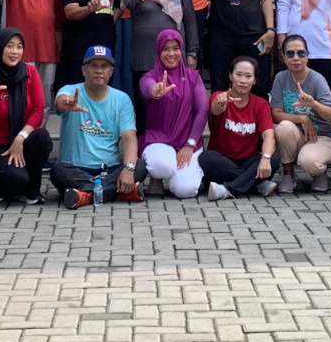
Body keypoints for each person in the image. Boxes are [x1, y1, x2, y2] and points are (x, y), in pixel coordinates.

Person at [52, 47, 145, 208]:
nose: (99, 71)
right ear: (83, 70)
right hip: (74, 169)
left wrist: (129, 170)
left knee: (140, 166)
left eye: (104, 66)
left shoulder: (122, 99)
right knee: (58, 171)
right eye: (93, 65)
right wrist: (66, 103)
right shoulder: (71, 91)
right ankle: (118, 191)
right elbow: (60, 102)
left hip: (108, 170)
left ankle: (85, 195)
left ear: (111, 72)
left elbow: (129, 137)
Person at [0, 28, 51, 204]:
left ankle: (32, 191)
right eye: (10, 46)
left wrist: (20, 138)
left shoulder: (30, 73)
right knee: (16, 180)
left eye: (19, 47)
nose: (15, 51)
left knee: (41, 137)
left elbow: (38, 110)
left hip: (21, 140)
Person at [139, 30, 209, 199]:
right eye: (165, 49)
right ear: (158, 51)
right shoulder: (150, 76)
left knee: (185, 190)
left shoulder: (193, 77)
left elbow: (202, 110)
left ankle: (174, 174)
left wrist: (190, 145)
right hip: (158, 139)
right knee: (161, 166)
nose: (171, 54)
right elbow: (147, 87)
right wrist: (155, 91)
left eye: (175, 48)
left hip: (187, 141)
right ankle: (158, 176)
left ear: (181, 50)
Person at [199, 56, 278, 200]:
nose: (243, 80)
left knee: (273, 158)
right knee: (206, 158)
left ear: (254, 80)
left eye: (248, 76)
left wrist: (266, 158)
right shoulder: (218, 96)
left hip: (249, 161)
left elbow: (269, 135)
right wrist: (220, 105)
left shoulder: (261, 104)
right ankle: (255, 184)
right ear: (230, 76)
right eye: (238, 74)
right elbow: (215, 109)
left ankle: (227, 189)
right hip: (222, 162)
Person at [268, 36, 331, 193]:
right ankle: (288, 174)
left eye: (301, 53)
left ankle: (320, 173)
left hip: (322, 137)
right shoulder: (281, 78)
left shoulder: (317, 79)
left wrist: (314, 104)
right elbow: (276, 113)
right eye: (290, 54)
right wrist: (302, 118)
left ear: (307, 56)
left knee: (310, 162)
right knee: (284, 127)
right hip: (297, 136)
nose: (296, 58)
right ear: (283, 57)